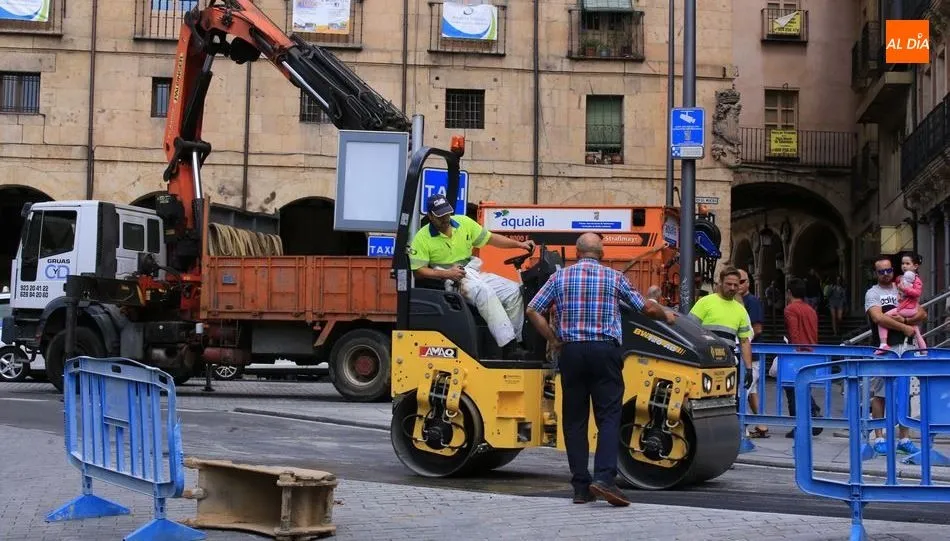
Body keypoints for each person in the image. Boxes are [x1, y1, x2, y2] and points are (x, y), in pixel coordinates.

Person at [525, 232, 676, 506]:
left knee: (574, 420)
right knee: (608, 416)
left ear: (578, 253)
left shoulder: (560, 277)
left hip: (571, 351)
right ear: (601, 252)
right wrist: (666, 314)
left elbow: (533, 309)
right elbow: (644, 308)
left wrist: (553, 339)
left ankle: (581, 488)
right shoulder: (614, 277)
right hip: (604, 351)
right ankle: (604, 479)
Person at [409, 194, 534, 359]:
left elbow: (491, 239)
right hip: (449, 279)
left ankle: (517, 342)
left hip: (472, 271)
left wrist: (519, 245)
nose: (445, 218)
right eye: (440, 216)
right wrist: (447, 273)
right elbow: (418, 271)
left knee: (513, 291)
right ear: (431, 216)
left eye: (447, 213)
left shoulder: (464, 223)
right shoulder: (422, 238)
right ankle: (508, 347)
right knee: (484, 292)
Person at [865, 254, 925, 455]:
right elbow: (877, 317)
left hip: (906, 347)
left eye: (888, 270)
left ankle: (904, 438)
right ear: (876, 273)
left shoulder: (902, 285)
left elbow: (922, 312)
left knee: (905, 393)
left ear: (893, 270)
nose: (885, 274)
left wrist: (907, 324)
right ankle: (880, 437)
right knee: (879, 394)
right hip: (883, 348)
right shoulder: (872, 293)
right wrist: (904, 326)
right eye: (881, 271)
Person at [782, 277, 823, 438]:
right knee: (804, 387)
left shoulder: (790, 309)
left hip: (796, 354)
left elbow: (794, 333)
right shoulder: (811, 310)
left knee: (791, 390)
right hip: (811, 353)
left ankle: (801, 423)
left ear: (789, 292)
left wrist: (794, 350)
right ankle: (813, 414)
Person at [737, 269, 768, 438]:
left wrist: (741, 341)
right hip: (747, 353)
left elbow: (757, 328)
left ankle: (742, 429)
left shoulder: (752, 301)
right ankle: (762, 425)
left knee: (743, 390)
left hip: (752, 354)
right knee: (752, 390)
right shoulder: (739, 301)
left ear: (748, 283)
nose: (737, 285)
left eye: (741, 281)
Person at [878, 253, 926, 351]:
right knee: (916, 331)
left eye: (907, 263)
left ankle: (883, 343)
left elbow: (917, 294)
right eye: (903, 263)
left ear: (915, 266)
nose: (904, 266)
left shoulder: (915, 280)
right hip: (907, 307)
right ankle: (924, 350)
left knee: (884, 318)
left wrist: (905, 289)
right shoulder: (904, 278)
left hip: (906, 308)